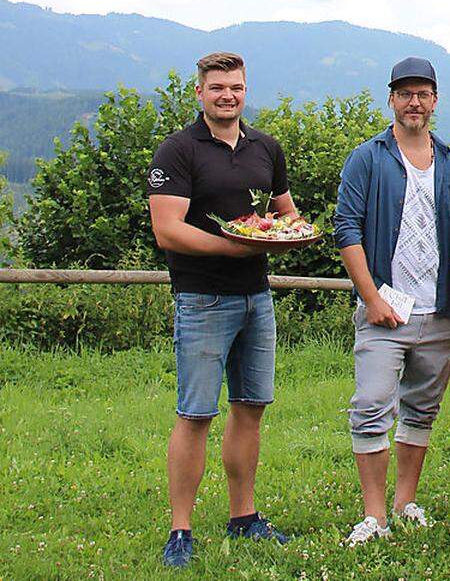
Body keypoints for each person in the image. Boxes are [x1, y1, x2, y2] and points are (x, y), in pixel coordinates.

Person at [148, 52, 295, 567]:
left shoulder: (266, 148)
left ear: (245, 89)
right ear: (200, 93)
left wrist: (282, 233)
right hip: (203, 297)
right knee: (196, 414)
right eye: (217, 88)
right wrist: (233, 246)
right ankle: (181, 530)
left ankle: (244, 517)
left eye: (235, 87)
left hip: (257, 296)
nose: (227, 95)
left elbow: (285, 213)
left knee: (251, 408)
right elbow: (168, 229)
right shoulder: (178, 150)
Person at [333, 57, 450, 545]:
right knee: (371, 405)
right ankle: (375, 516)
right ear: (391, 99)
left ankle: (405, 501)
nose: (415, 102)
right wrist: (370, 298)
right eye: (405, 93)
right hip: (384, 308)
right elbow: (346, 227)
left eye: (423, 94)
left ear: (435, 100)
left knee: (421, 411)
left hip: (440, 311)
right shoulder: (367, 157)